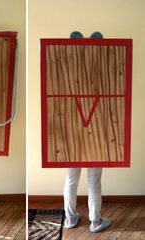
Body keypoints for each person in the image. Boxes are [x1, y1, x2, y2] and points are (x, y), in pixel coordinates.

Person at [63, 31, 111, 233]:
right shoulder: (103, 72)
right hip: (96, 135)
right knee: (93, 179)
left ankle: (71, 218)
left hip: (73, 135)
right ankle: (95, 220)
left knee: (71, 179)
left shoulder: (67, 72)